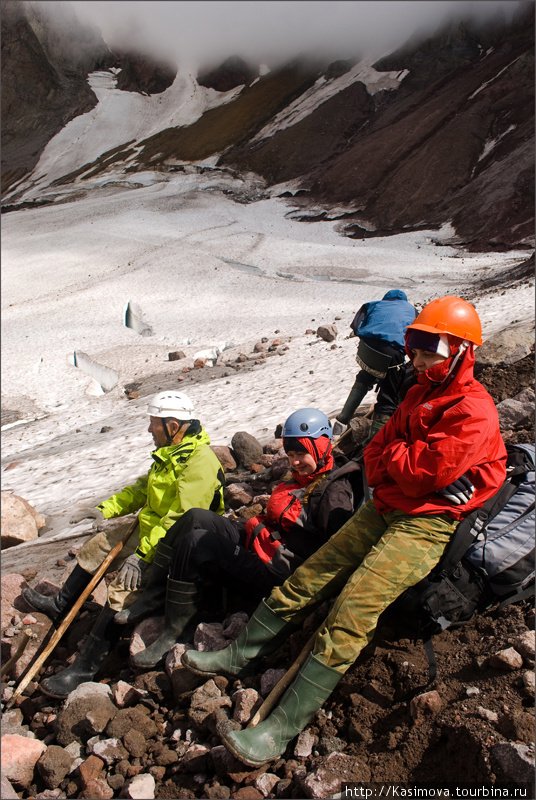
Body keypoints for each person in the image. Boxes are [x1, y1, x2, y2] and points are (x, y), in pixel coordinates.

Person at [181, 296, 507, 767]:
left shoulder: (474, 410)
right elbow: (377, 456)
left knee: (355, 604)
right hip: (391, 505)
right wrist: (402, 462)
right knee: (311, 576)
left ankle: (281, 729)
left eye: (427, 349)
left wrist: (403, 462)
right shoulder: (418, 393)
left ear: (459, 350)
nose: (415, 358)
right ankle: (239, 654)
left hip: (428, 523)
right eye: (414, 347)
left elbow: (422, 471)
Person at [23, 390, 225, 699]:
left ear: (172, 425)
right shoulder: (173, 452)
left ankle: (83, 669)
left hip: (173, 544)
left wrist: (143, 556)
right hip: (151, 528)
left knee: (123, 590)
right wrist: (107, 508)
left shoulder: (199, 461)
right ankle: (62, 604)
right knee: (100, 545)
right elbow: (142, 490)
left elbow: (180, 518)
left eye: (153, 423)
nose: (149, 430)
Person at [122, 408, 357, 669]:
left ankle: (175, 632)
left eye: (301, 453)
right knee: (194, 517)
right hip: (262, 544)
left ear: (321, 446)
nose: (294, 462)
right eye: (290, 454)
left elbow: (337, 551)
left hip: (276, 574)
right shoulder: (306, 476)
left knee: (198, 543)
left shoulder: (333, 493)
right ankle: (154, 594)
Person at [333, 289, 417, 438]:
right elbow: (417, 333)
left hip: (367, 349)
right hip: (393, 351)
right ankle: (375, 443)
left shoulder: (373, 304)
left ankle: (342, 420)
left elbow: (356, 325)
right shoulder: (412, 310)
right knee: (388, 397)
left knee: (365, 376)